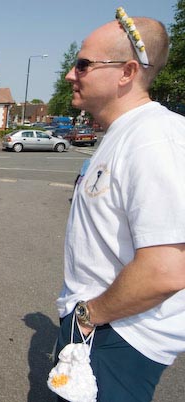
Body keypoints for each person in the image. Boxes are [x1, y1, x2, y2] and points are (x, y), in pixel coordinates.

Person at [54, 8, 185, 401]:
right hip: (105, 327)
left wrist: (89, 315)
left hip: (120, 335)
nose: (70, 75)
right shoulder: (124, 134)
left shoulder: (154, 140)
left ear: (127, 72)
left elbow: (166, 270)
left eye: (83, 65)